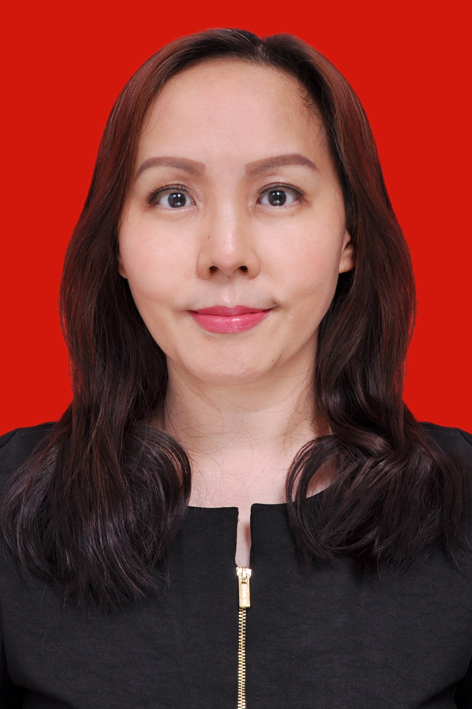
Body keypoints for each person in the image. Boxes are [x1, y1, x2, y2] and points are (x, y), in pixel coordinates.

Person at [0, 27, 471, 709]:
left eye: (278, 194)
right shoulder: (9, 504)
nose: (226, 253)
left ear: (349, 237)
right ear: (118, 244)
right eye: (173, 196)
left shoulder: (462, 507)